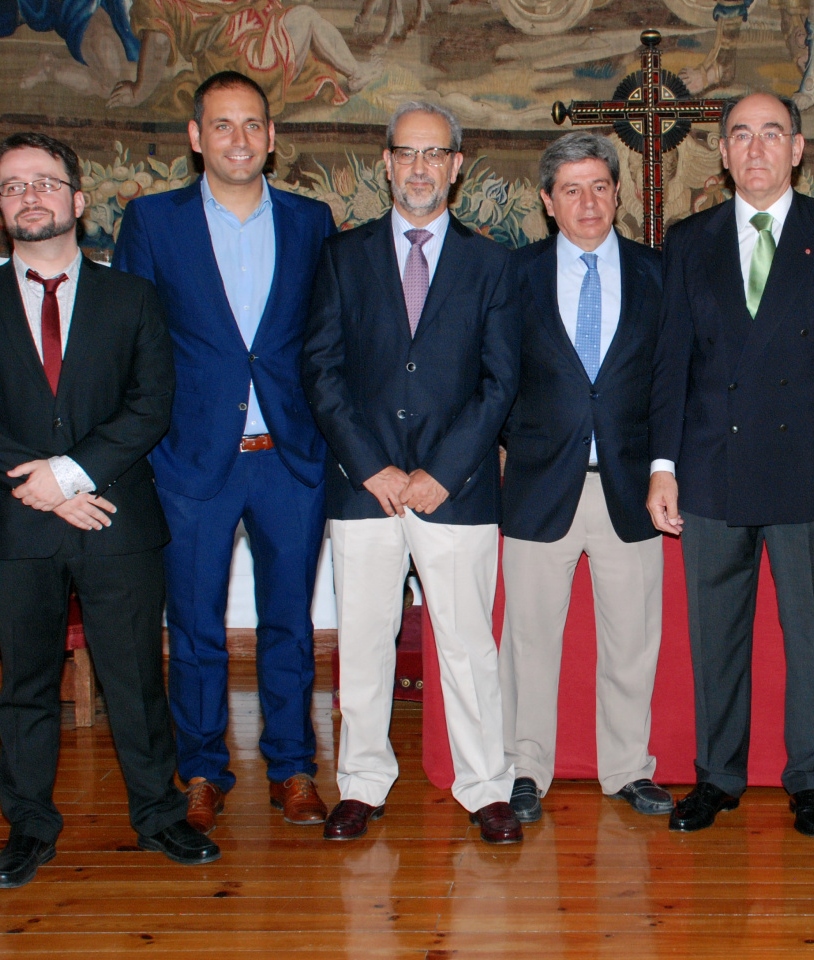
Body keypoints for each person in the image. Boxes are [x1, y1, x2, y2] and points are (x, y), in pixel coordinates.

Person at [0, 131, 218, 889]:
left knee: (136, 680)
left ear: (78, 199)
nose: (29, 196)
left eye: (45, 182)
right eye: (13, 186)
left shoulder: (133, 298)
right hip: (14, 524)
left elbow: (151, 404)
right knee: (25, 687)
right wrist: (40, 488)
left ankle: (158, 815)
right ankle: (29, 828)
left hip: (115, 518)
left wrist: (67, 475)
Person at [648, 92, 814, 839]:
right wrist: (662, 465)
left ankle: (811, 780)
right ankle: (716, 777)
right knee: (715, 636)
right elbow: (671, 363)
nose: (756, 149)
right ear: (722, 153)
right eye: (742, 135)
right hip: (710, 468)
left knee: (812, 635)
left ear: (798, 148)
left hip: (810, 473)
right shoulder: (689, 240)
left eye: (772, 134)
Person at [113, 70, 336, 836]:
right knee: (196, 627)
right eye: (222, 125)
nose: (238, 139)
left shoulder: (311, 220)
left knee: (290, 624)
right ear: (196, 137)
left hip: (290, 460)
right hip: (191, 462)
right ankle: (202, 771)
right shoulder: (152, 221)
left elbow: (324, 336)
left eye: (252, 125)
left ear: (271, 138)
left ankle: (293, 768)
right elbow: (132, 341)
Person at [303, 100, 523, 844]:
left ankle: (486, 787)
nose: (420, 168)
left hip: (457, 491)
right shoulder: (342, 256)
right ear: (387, 163)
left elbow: (501, 381)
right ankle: (361, 783)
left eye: (435, 154)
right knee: (364, 644)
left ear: (457, 167)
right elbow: (321, 371)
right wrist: (374, 469)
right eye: (407, 153)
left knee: (467, 647)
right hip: (364, 490)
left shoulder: (493, 264)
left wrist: (440, 472)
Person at [498, 132, 674, 824]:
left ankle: (628, 769)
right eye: (571, 190)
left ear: (618, 193)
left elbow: (672, 382)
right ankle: (524, 769)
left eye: (600, 186)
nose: (588, 202)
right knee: (529, 642)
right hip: (540, 484)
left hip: (631, 488)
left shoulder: (658, 273)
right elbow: (493, 378)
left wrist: (664, 468)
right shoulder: (513, 275)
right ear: (548, 201)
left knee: (633, 641)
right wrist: (517, 445)